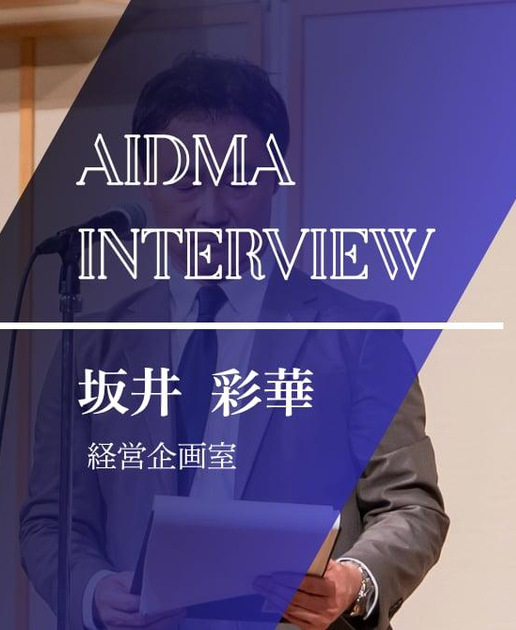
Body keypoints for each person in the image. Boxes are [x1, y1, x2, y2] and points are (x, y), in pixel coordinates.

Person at [19, 54, 449, 630]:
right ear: (146, 182)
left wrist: (352, 580)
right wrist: (93, 591)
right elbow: (50, 520)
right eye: (186, 182)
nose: (211, 212)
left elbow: (412, 506)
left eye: (237, 181)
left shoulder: (359, 335)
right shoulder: (93, 347)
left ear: (273, 178)